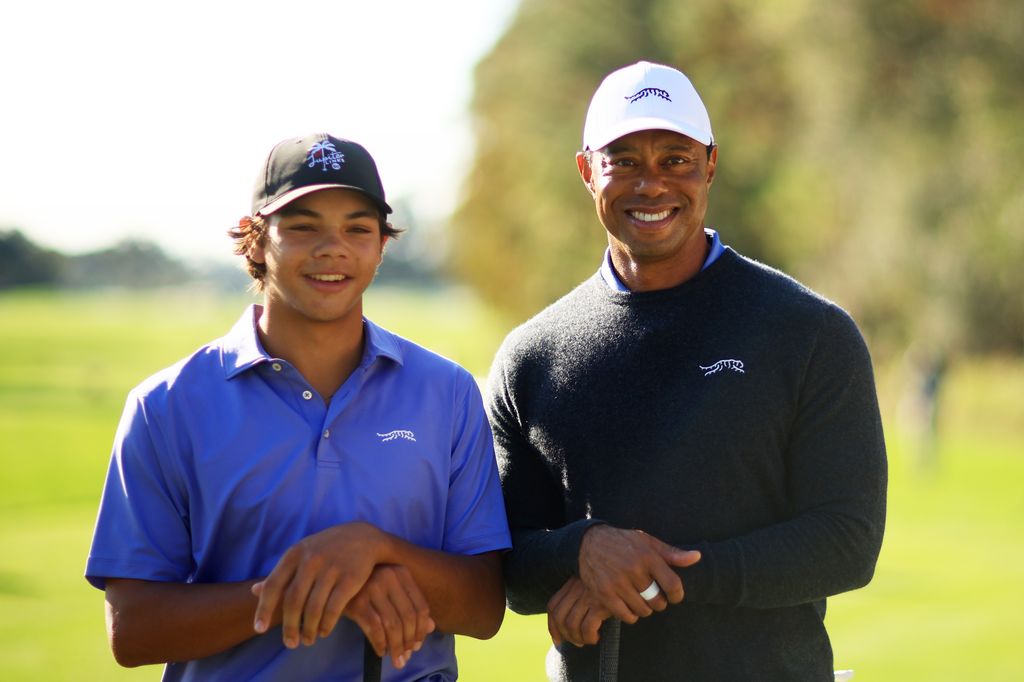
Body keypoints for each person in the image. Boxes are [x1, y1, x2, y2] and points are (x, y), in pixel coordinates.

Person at [487, 61, 887, 681]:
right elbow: (506, 564)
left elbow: (846, 542)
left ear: (710, 166)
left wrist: (651, 579)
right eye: (624, 161)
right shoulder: (531, 357)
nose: (652, 185)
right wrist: (582, 548)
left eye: (675, 160)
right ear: (587, 170)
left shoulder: (810, 333)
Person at [85, 133, 511, 681]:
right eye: (304, 227)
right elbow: (134, 630)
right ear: (256, 241)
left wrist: (375, 549)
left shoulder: (447, 391)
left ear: (381, 245)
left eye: (358, 229)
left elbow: (483, 607)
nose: (333, 248)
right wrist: (319, 587)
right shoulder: (165, 406)